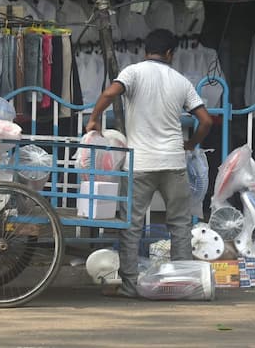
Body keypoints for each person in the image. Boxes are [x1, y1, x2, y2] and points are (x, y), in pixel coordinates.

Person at [85, 29, 213, 298]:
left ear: (146, 51)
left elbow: (110, 94)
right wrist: (190, 145)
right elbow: (206, 121)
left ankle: (130, 287)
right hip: (173, 163)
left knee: (131, 226)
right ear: (170, 54)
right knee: (179, 225)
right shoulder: (182, 81)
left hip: (140, 163)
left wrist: (95, 117)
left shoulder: (133, 72)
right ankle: (180, 285)